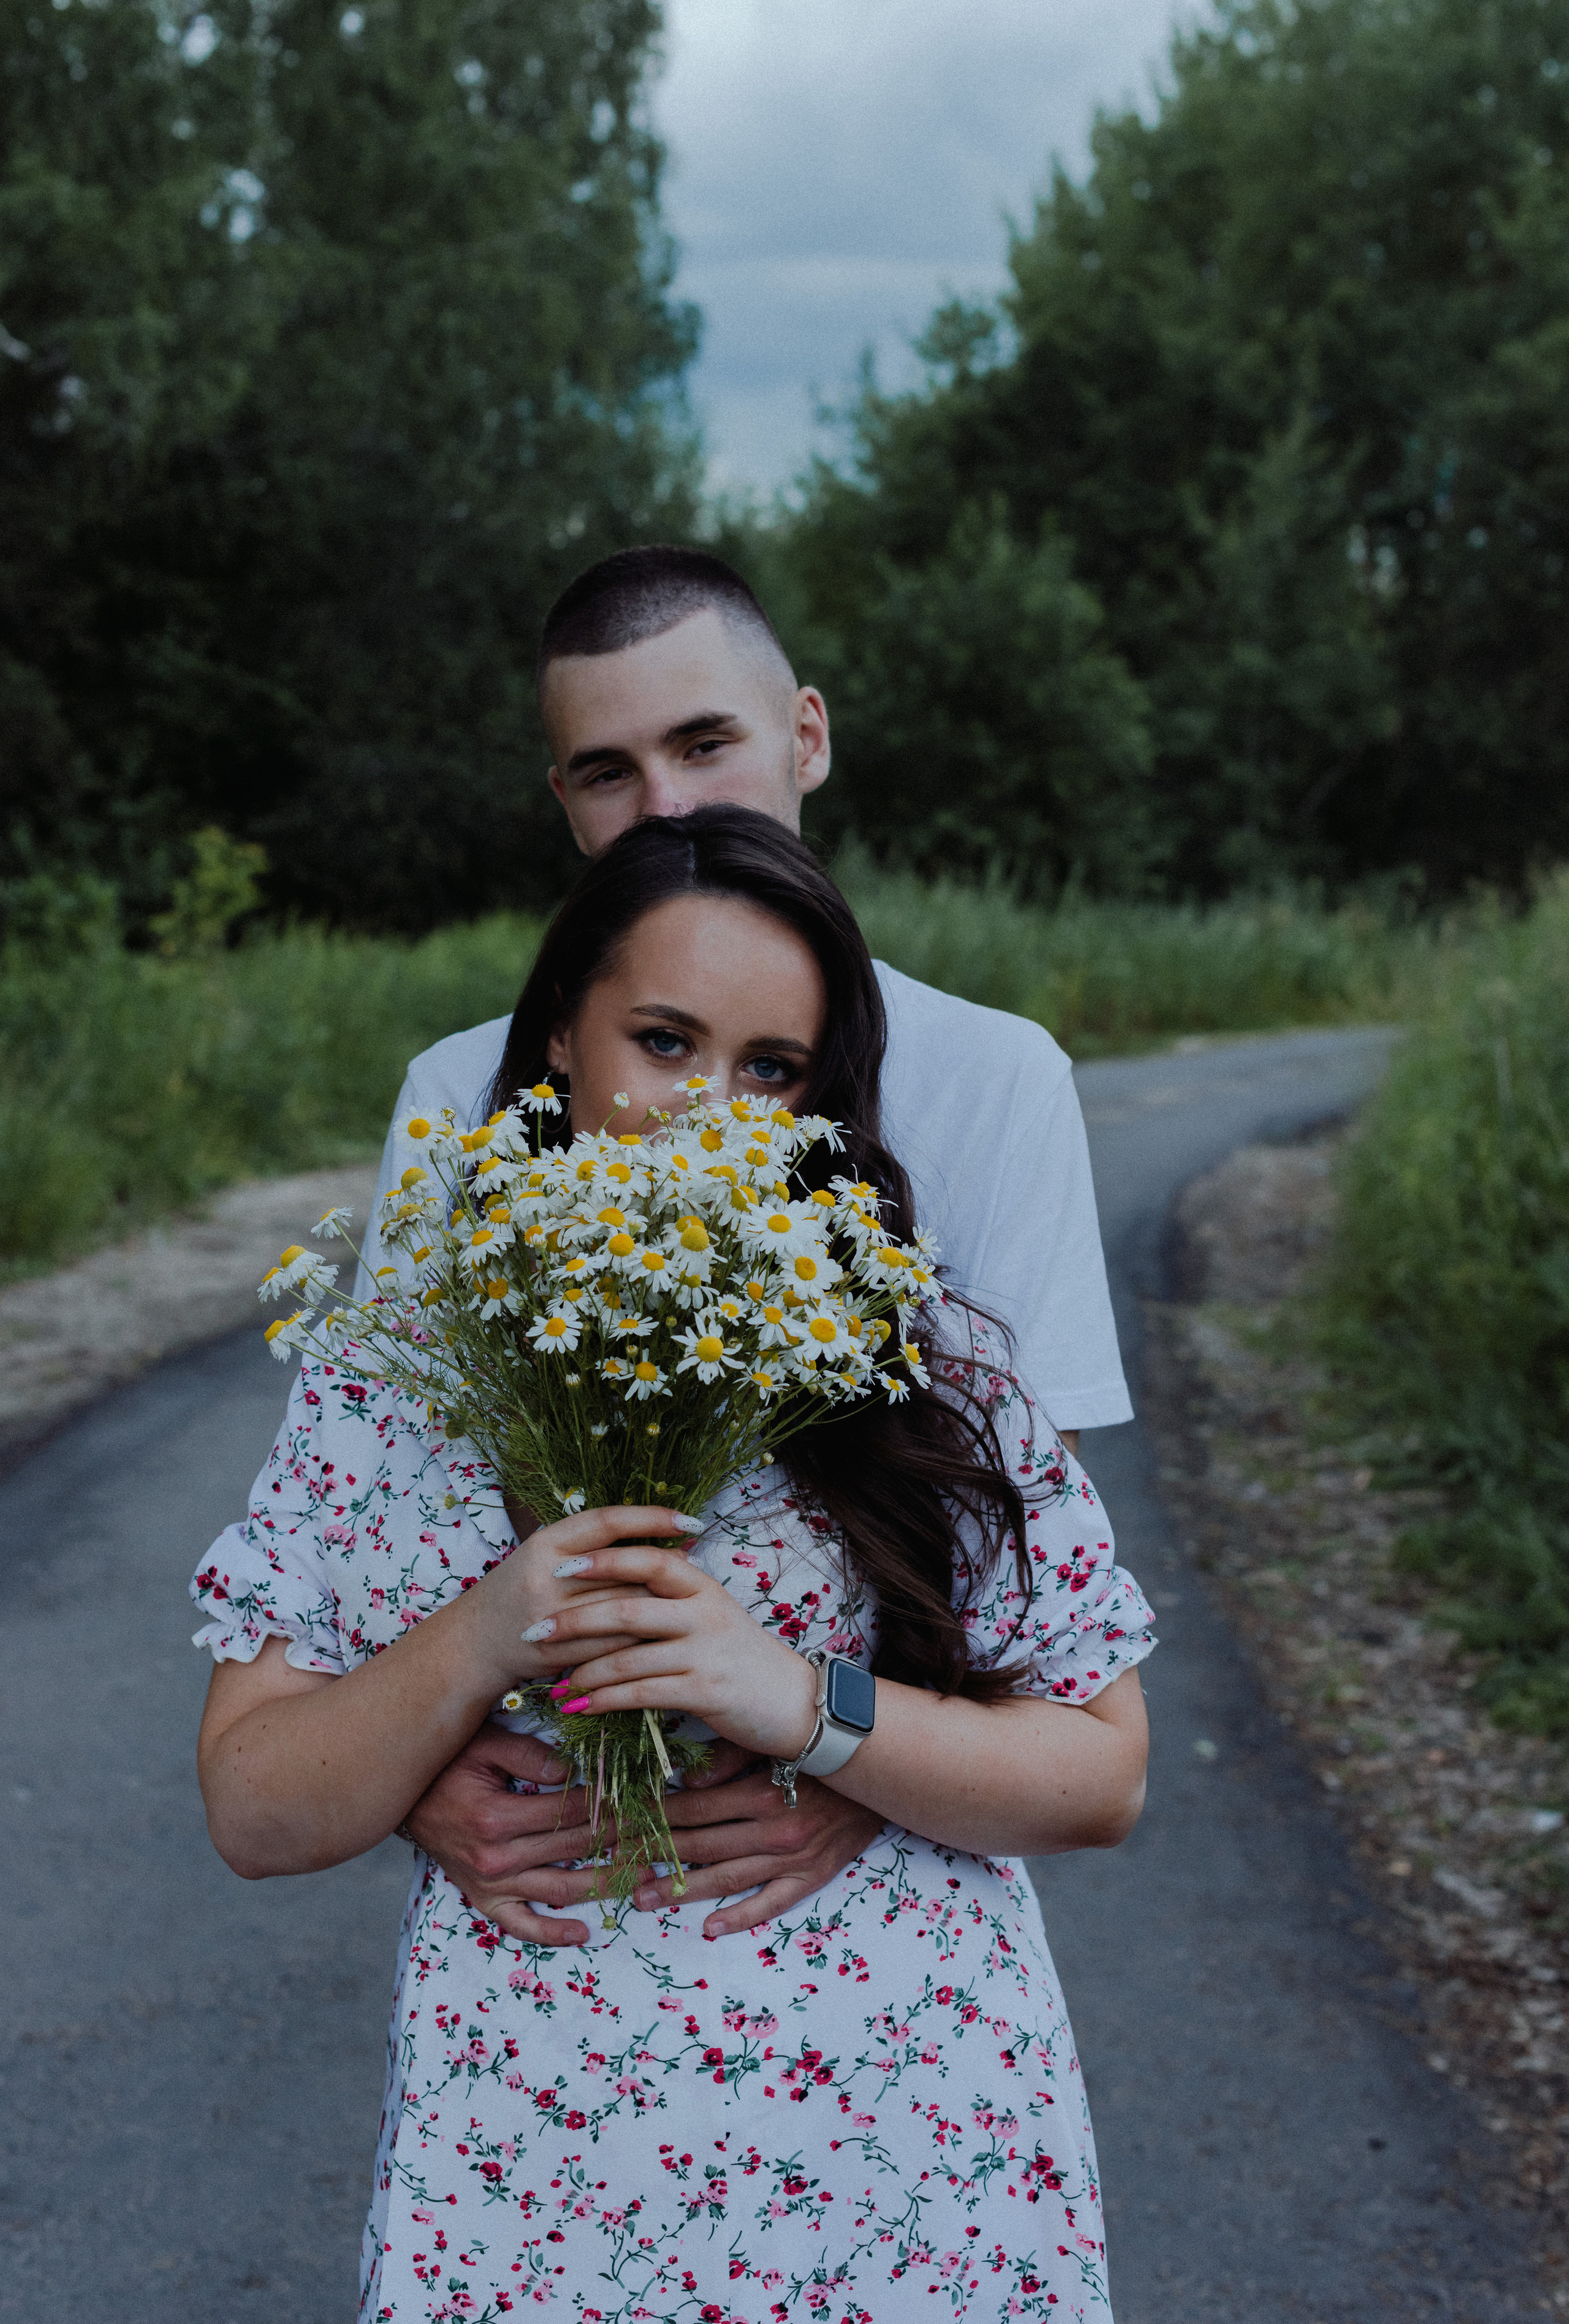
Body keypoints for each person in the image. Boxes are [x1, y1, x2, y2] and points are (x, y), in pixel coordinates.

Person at [193, 808, 1155, 2320]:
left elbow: (1103, 1777)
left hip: (906, 2158)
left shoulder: (925, 1364)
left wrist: (804, 1704)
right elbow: (253, 1810)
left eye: (770, 1070)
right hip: (530, 2174)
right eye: (662, 1041)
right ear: (562, 1037)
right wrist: (485, 1636)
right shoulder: (396, 1371)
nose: (711, 1112)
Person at [358, 548, 1134, 1951]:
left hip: (869, 1900)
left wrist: (859, 1767)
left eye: (704, 743)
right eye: (607, 770)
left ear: (806, 738)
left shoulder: (994, 1077)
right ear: (563, 802)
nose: (665, 805)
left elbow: (1027, 1586)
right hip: (553, 1899)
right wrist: (409, 1787)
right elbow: (386, 1505)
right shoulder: (461, 1094)